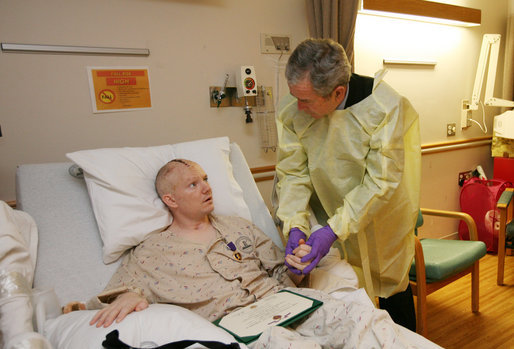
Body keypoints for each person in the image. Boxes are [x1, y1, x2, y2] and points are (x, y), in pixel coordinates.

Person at [83, 159, 425, 348]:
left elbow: (285, 274)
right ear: (170, 200)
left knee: (366, 318)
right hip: (241, 328)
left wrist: (299, 263)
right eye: (193, 184)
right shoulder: (152, 251)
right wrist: (128, 295)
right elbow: (124, 292)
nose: (206, 186)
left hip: (287, 303)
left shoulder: (238, 226)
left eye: (205, 178)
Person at [274, 38, 421, 331]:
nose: (297, 107)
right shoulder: (294, 106)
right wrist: (295, 223)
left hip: (380, 217)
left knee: (391, 287)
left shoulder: (384, 107)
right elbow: (293, 173)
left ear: (337, 92)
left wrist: (335, 229)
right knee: (347, 297)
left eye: (306, 100)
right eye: (295, 97)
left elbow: (381, 181)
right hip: (326, 213)